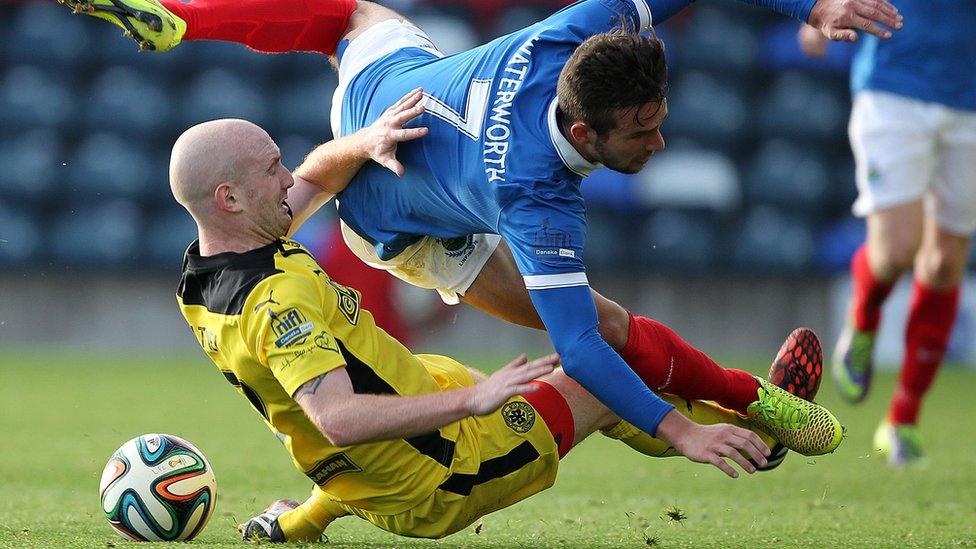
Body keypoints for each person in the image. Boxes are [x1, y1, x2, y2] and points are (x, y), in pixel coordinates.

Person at [62, 0, 871, 471]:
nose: (658, 144)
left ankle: (182, 15)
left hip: (387, 87)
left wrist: (813, 5)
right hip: (397, 226)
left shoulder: (581, 33)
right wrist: (686, 431)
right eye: (642, 133)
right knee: (611, 332)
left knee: (348, 12)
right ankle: (751, 406)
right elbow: (584, 348)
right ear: (585, 131)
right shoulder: (535, 196)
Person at [169, 116, 840, 542]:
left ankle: (301, 521)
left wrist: (365, 142)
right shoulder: (274, 303)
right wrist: (474, 401)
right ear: (229, 198)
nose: (289, 176)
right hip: (442, 470)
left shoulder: (206, 271)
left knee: (531, 373)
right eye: (270, 169)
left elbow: (317, 174)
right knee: (603, 368)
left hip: (371, 452)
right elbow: (338, 415)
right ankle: (760, 432)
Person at [798, 2, 976, 467]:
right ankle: (864, 315)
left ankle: (902, 420)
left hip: (971, 98)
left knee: (943, 264)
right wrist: (818, 11)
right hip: (895, 86)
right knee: (898, 249)